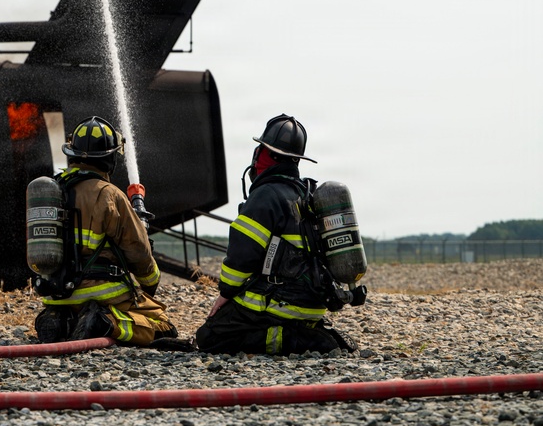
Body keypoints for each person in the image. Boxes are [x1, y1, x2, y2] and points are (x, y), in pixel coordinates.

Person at [195, 114, 363, 355]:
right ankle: (312, 331)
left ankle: (301, 340)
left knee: (211, 337)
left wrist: (226, 293)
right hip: (312, 305)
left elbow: (243, 255)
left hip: (281, 305)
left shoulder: (266, 196)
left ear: (266, 154)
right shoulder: (306, 193)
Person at [32, 116, 183, 348]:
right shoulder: (109, 194)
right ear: (109, 158)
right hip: (103, 293)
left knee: (70, 313)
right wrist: (150, 284)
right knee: (163, 326)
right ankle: (104, 323)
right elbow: (139, 251)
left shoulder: (54, 189)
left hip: (56, 293)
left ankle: (61, 320)